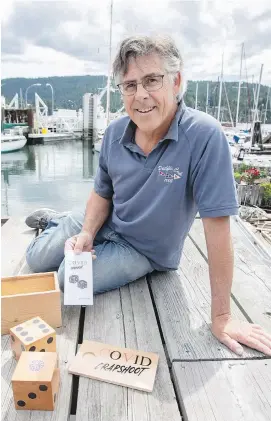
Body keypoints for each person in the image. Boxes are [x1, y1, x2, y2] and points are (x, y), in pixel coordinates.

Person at [26, 35, 271, 357]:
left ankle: (59, 222)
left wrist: (222, 317)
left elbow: (217, 226)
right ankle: (60, 222)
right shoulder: (115, 132)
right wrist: (87, 232)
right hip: (105, 223)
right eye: (129, 85)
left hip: (143, 249)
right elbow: (102, 192)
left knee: (68, 282)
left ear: (176, 81)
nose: (141, 95)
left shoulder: (204, 135)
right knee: (36, 260)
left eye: (152, 80)